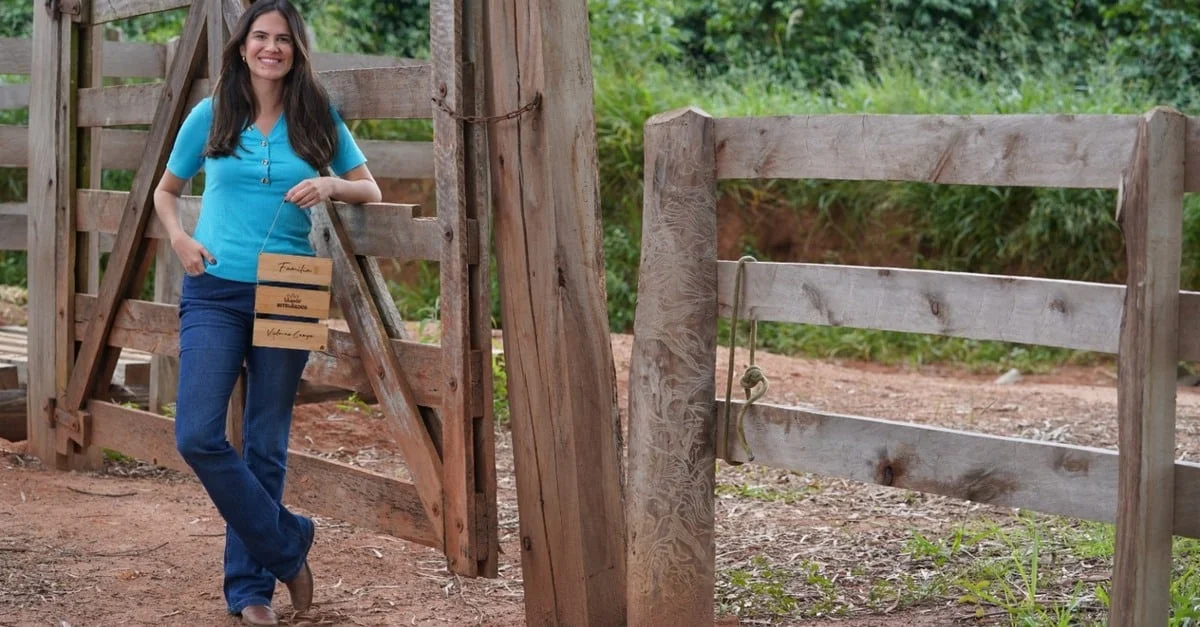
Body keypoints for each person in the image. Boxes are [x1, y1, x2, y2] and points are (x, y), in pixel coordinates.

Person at [153, 1, 381, 624]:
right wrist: (179, 237)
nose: (271, 48)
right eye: (260, 37)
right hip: (214, 288)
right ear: (243, 45)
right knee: (198, 433)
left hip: (291, 290)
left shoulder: (316, 116)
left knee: (265, 443)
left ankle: (249, 592)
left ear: (296, 48)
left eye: (282, 39)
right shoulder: (212, 112)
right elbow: (165, 192)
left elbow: (370, 186)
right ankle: (287, 545)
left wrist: (331, 184)